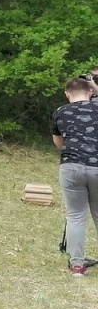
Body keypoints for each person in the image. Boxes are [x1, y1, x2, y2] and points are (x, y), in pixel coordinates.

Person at [53, 77, 98, 276]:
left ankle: (77, 264)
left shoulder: (60, 112)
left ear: (66, 94)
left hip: (71, 167)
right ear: (90, 92)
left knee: (76, 216)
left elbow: (59, 143)